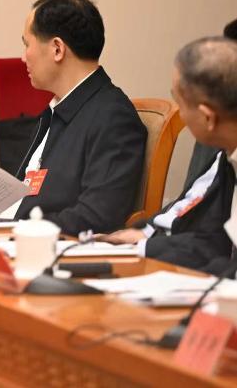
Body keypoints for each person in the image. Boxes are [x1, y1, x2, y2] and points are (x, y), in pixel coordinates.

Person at [99, 31, 237, 274]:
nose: (180, 115)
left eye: (181, 104)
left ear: (207, 117)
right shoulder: (227, 158)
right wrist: (143, 244)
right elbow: (213, 240)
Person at [12, 0, 147, 235]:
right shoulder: (57, 110)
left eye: (27, 44)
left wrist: (24, 230)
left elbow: (98, 215)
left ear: (57, 49)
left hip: (49, 247)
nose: (23, 57)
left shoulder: (113, 117)